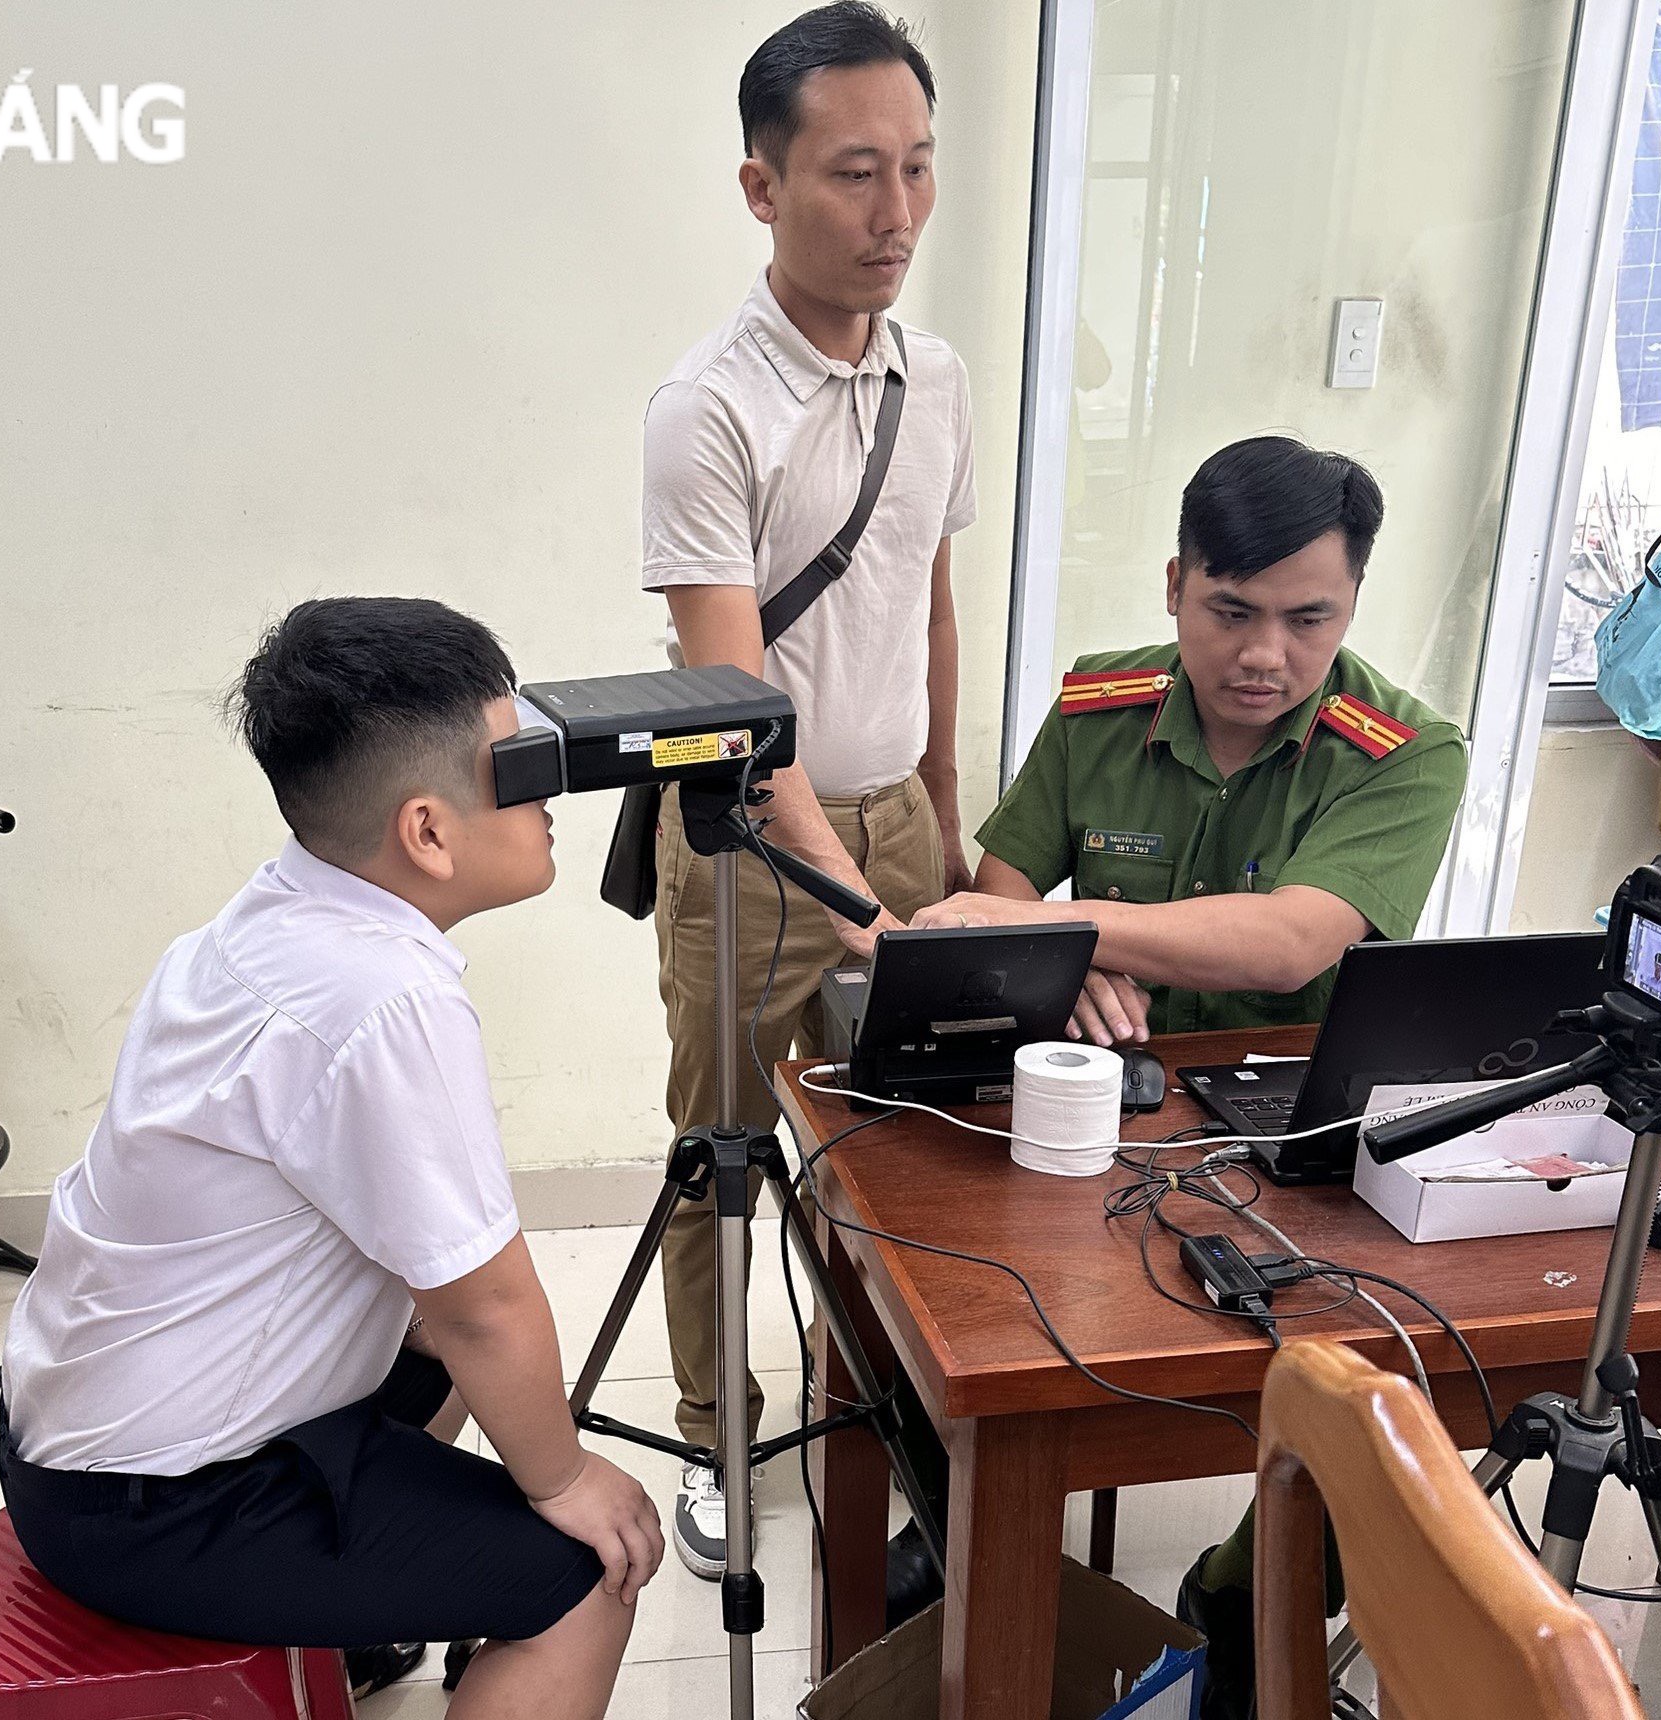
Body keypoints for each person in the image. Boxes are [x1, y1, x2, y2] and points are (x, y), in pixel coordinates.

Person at [0, 598, 664, 1720]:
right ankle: (353, 1598)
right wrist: (567, 1480)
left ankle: (351, 1629)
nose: (550, 788)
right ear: (428, 832)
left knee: (449, 1343)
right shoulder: (384, 996)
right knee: (586, 1573)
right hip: (154, 1502)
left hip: (67, 1438)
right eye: (522, 762)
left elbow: (449, 1293)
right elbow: (486, 1307)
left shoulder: (267, 915)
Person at [907, 435, 1468, 1717]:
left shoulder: (1407, 751)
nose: (1265, 653)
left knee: (1391, 1364)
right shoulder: (1101, 706)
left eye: (1307, 618)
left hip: (1301, 1137)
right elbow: (999, 914)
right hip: (1101, 1115)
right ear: (1175, 586)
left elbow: (1289, 945)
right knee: (949, 1315)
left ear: (1351, 610)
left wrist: (1074, 930)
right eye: (1231, 611)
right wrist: (1051, 968)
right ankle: (968, 1551)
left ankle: (1243, 1582)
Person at [641, 0, 978, 1581]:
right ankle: (717, 1428)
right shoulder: (708, 409)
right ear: (762, 187)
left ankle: (905, 1412)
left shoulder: (941, 380)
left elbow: (926, 599)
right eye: (855, 173)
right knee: (723, 1143)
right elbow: (731, 696)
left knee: (915, 1132)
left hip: (899, 819)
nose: (896, 212)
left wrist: (946, 817)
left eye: (918, 167)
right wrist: (844, 897)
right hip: (740, 847)